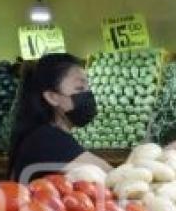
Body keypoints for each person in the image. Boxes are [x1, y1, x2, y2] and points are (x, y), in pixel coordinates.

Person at [9, 53, 106, 182]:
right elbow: (110, 176)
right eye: (79, 88)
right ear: (52, 97)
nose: (88, 95)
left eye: (88, 88)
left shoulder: (41, 135)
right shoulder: (47, 140)